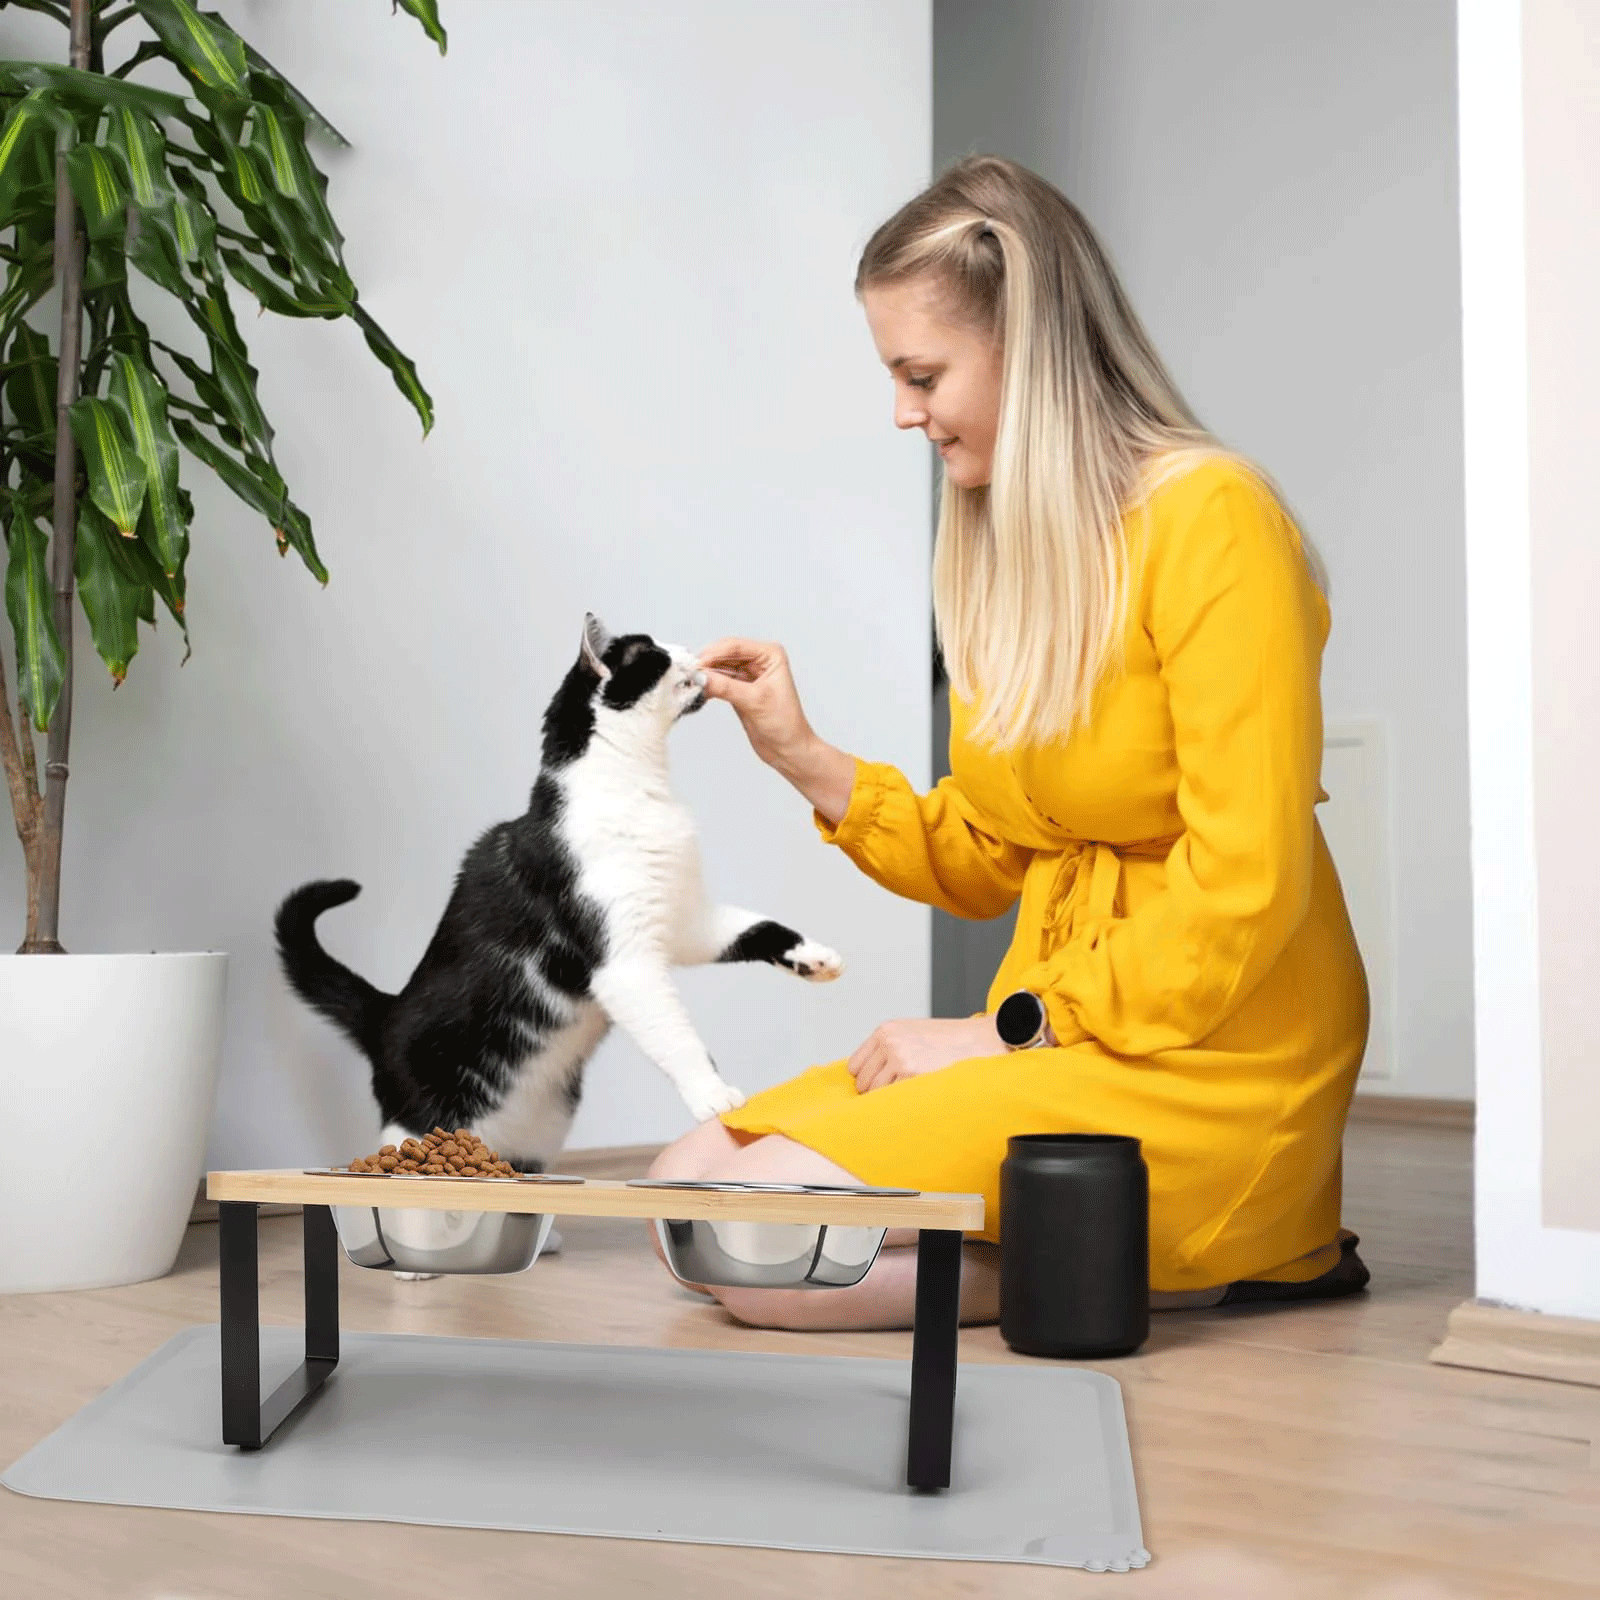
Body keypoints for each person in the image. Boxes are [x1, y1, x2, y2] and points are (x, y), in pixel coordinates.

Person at [650, 154, 1370, 1332]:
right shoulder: (1009, 547)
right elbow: (991, 853)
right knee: (681, 1204)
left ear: (1026, 346)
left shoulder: (1214, 519)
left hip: (1214, 1050)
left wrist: (994, 1032)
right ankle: (1109, 1251)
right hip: (1064, 1030)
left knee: (746, 1243)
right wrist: (800, 751)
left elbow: (1247, 883)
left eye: (921, 373)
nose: (901, 411)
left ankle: (1237, 1233)